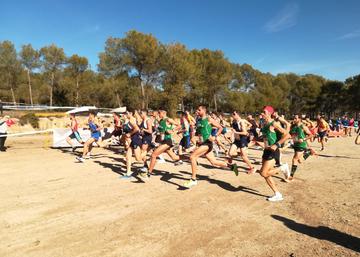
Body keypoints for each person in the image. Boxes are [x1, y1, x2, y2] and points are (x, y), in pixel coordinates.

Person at [183, 105, 238, 189]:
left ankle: (193, 179)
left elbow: (220, 127)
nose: (197, 111)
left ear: (204, 111)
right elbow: (199, 133)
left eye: (199, 110)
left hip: (207, 143)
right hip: (202, 143)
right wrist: (195, 138)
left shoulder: (209, 119)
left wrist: (214, 136)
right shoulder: (199, 120)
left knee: (192, 157)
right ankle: (232, 166)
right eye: (196, 110)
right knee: (214, 162)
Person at [139, 108, 183, 181]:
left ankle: (148, 174)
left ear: (163, 113)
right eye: (158, 113)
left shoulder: (168, 120)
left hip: (167, 141)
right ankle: (190, 158)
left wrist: (172, 130)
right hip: (163, 141)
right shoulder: (161, 121)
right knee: (175, 158)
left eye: (159, 113)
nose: (158, 115)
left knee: (153, 155)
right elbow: (159, 129)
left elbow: (179, 126)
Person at [258, 106, 290, 202]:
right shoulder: (264, 124)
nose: (262, 114)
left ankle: (282, 168)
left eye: (264, 112)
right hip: (266, 150)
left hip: (273, 151)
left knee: (264, 173)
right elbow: (265, 137)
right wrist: (256, 138)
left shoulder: (274, 123)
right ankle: (277, 194)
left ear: (269, 113)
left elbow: (287, 135)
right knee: (265, 174)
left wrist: (276, 144)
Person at [287, 115, 314, 181]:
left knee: (294, 159)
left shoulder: (303, 127)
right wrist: (291, 138)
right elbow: (290, 134)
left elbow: (311, 135)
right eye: (294, 118)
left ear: (300, 119)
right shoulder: (293, 126)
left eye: (296, 118)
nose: (294, 119)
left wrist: (304, 139)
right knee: (300, 161)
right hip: (295, 145)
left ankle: (291, 176)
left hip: (301, 145)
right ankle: (308, 152)